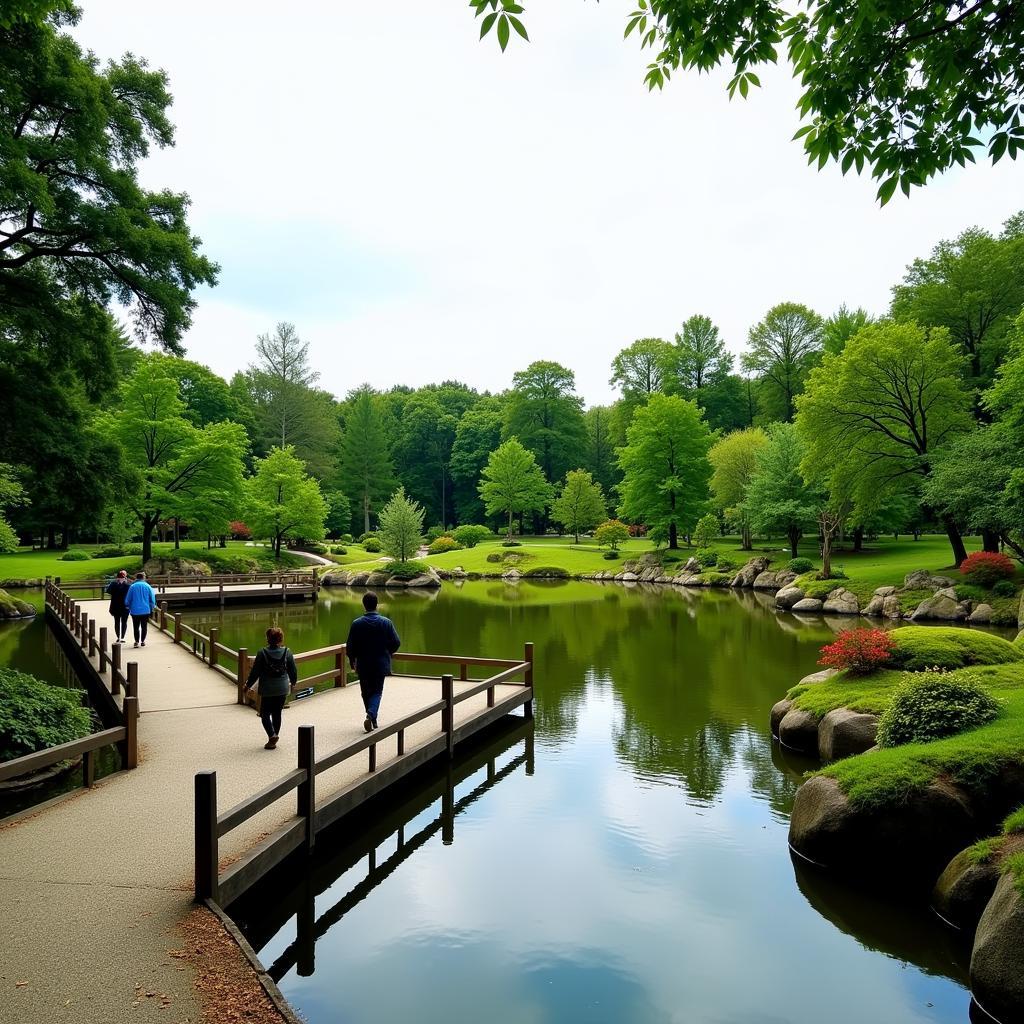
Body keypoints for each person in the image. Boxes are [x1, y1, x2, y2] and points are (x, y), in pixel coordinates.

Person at [345, 591, 400, 732]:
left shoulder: (357, 624)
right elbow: (396, 642)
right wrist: (388, 652)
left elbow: (350, 646)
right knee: (377, 691)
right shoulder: (386, 623)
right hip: (380, 663)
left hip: (363, 663)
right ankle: (371, 716)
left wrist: (352, 660)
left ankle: (371, 717)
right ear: (377, 605)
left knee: (365, 692)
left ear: (364, 605)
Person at [244, 626, 297, 749]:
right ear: (281, 639)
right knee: (277, 713)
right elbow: (293, 671)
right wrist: (293, 682)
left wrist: (247, 686)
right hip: (282, 687)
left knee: (264, 713)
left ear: (268, 639)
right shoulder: (287, 652)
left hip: (267, 688)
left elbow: (255, 673)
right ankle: (274, 736)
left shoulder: (262, 653)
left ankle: (272, 736)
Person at [124, 571, 157, 648]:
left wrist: (127, 605)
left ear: (136, 578)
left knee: (136, 626)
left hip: (135, 610)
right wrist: (152, 607)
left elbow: (128, 599)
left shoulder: (132, 586)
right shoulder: (148, 586)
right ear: (143, 578)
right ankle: (142, 641)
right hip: (145, 610)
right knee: (144, 626)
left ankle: (136, 641)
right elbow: (152, 598)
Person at [104, 570, 131, 644]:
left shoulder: (113, 584)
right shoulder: (128, 585)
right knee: (123, 622)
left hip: (116, 606)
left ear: (117, 578)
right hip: (124, 606)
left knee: (117, 622)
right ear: (124, 577)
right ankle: (121, 637)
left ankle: (119, 637)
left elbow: (108, 591)